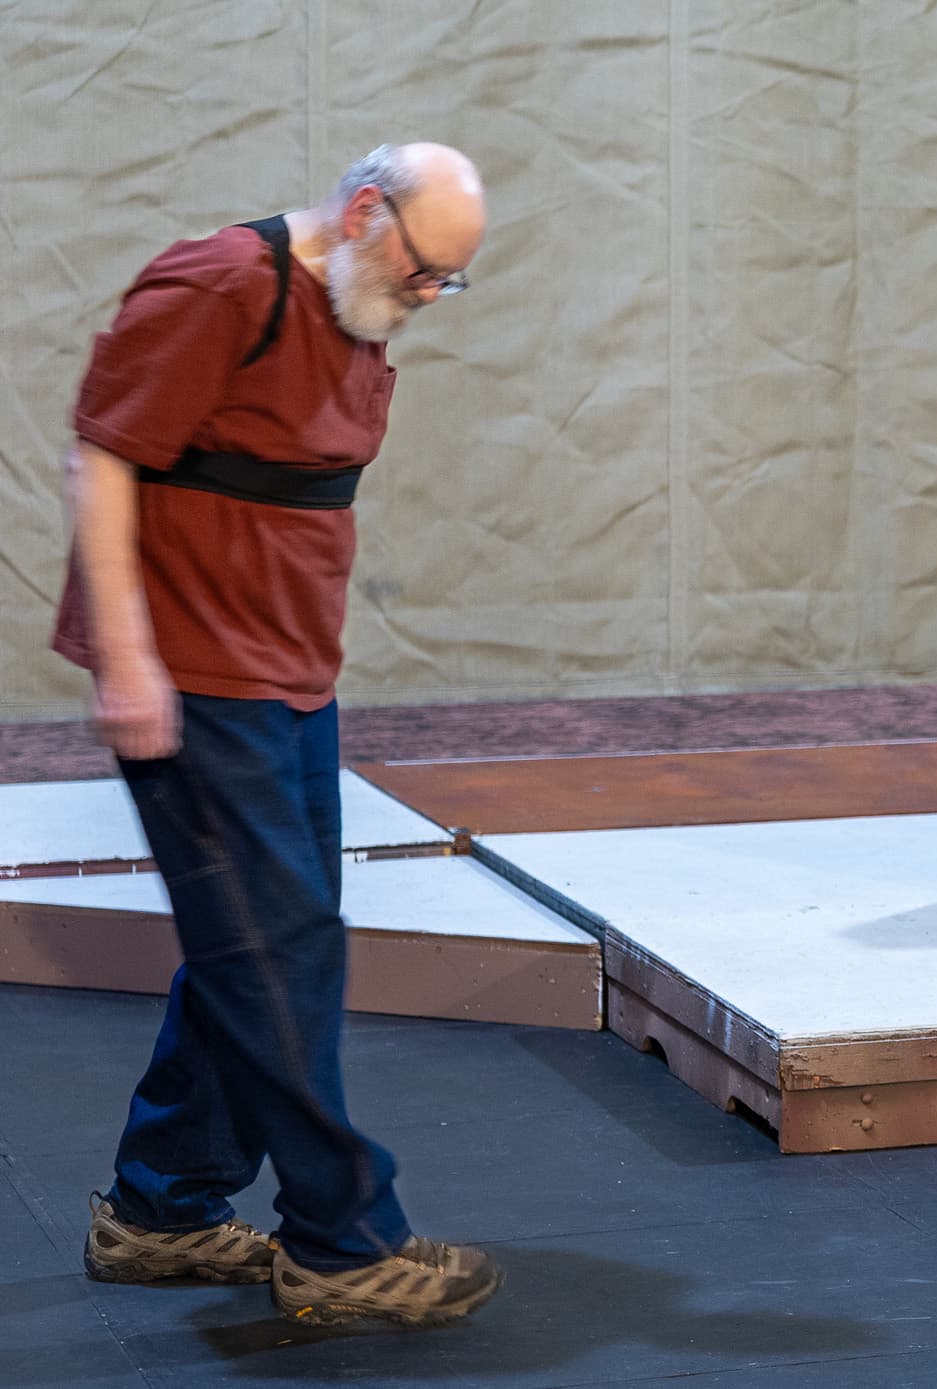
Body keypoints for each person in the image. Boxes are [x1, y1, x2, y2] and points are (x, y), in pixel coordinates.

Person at [55, 143, 503, 1326]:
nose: (424, 300)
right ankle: (344, 1242)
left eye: (444, 284)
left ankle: (162, 1213)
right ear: (366, 211)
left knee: (248, 946)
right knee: (281, 956)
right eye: (424, 272)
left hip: (290, 677)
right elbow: (101, 457)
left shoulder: (351, 303)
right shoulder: (214, 287)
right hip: (196, 676)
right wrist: (131, 656)